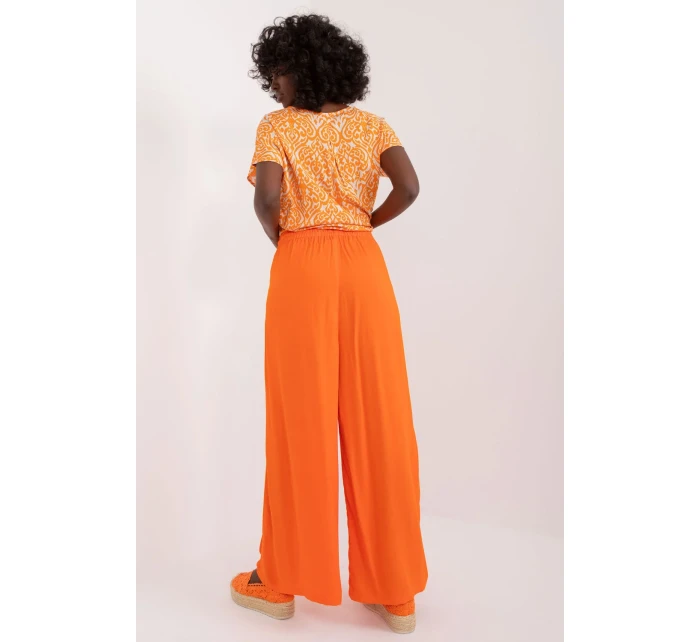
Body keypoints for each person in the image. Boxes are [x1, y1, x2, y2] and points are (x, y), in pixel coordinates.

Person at [230, 14, 428, 634]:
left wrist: (286, 239)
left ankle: (279, 580)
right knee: (379, 417)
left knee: (301, 420)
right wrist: (364, 224)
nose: (274, 86)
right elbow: (409, 187)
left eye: (277, 74)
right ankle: (394, 590)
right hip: (364, 266)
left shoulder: (277, 127)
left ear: (298, 69)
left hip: (302, 265)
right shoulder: (374, 126)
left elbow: (266, 199)